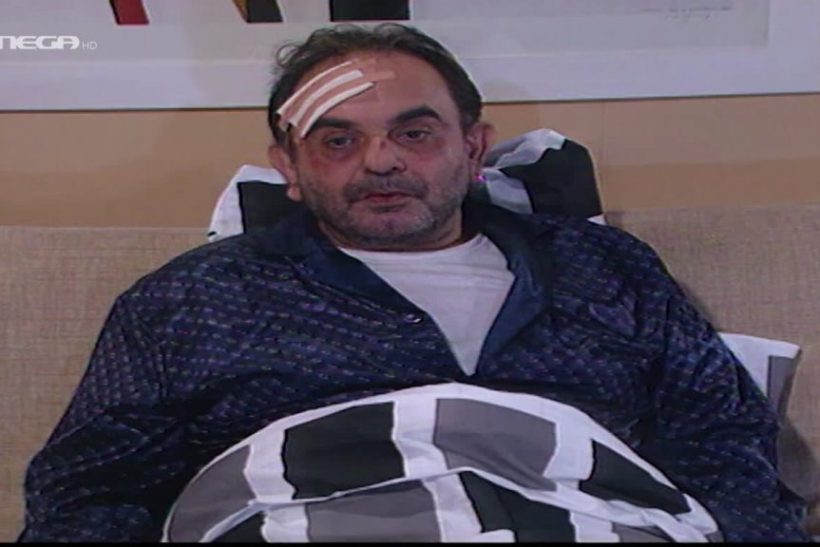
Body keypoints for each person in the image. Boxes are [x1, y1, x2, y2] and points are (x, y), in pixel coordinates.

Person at [19, 23, 808, 542]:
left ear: (474, 147)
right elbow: (89, 490)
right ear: (288, 166)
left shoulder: (606, 269)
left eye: (415, 132)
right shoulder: (191, 300)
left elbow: (724, 441)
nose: (381, 160)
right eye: (337, 140)